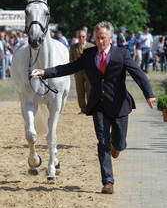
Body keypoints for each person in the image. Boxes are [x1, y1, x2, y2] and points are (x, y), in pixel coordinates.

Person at [31, 21, 156, 194]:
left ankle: (117, 146)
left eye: (103, 38)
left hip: (119, 105)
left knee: (118, 143)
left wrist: (149, 94)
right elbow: (70, 67)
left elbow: (138, 74)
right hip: (98, 104)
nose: (100, 41)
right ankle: (108, 181)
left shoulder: (122, 54)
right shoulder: (88, 54)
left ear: (110, 37)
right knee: (102, 142)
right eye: (97, 38)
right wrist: (45, 72)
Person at [70, 29, 95, 114]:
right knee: (80, 91)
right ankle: (83, 109)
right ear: (77, 37)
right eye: (79, 36)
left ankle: (90, 108)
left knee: (89, 90)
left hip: (89, 73)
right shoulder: (73, 47)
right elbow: (71, 59)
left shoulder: (91, 46)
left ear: (86, 37)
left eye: (83, 36)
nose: (81, 38)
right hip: (78, 73)